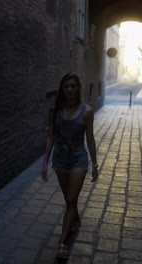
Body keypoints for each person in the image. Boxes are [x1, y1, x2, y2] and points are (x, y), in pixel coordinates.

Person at [41, 72, 99, 259]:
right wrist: (45, 162)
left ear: (78, 88)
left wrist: (95, 164)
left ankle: (63, 244)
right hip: (59, 158)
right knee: (69, 200)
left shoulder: (87, 111)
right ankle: (75, 218)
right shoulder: (54, 110)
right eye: (66, 87)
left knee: (72, 200)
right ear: (62, 89)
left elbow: (90, 138)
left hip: (78, 159)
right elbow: (50, 136)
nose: (70, 90)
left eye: (73, 86)